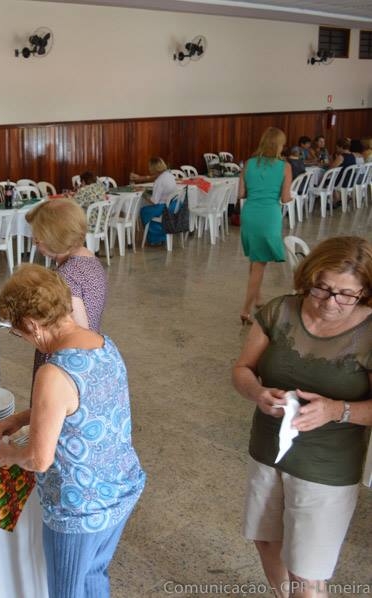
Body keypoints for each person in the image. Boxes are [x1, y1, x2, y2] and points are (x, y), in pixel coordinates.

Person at [0, 265, 145, 598]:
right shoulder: (102, 343)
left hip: (81, 507)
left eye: (19, 333)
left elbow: (38, 459)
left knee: (67, 592)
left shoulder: (52, 371)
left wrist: (8, 455)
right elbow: (85, 403)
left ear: (32, 324)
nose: (24, 340)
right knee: (93, 575)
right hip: (120, 488)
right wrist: (24, 417)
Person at [231, 236, 372, 598]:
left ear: (365, 293)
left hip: (327, 466)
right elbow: (243, 369)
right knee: (266, 540)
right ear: (308, 277)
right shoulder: (280, 311)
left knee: (307, 573)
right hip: (267, 449)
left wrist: (335, 410)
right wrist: (258, 393)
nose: (330, 302)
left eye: (346, 294)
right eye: (321, 289)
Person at [26, 199, 107, 379]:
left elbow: (78, 331)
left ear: (54, 240)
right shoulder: (88, 258)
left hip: (67, 365)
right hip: (88, 356)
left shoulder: (66, 276)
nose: (34, 244)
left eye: (37, 239)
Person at [239, 127, 292, 325]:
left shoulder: (249, 164)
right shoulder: (284, 167)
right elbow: (286, 198)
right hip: (269, 215)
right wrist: (291, 196)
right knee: (260, 264)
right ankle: (245, 310)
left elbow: (241, 193)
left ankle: (258, 297)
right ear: (279, 145)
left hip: (250, 213)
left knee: (255, 259)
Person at [132, 157, 178, 246]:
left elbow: (154, 201)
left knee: (144, 211)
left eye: (149, 167)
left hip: (163, 208)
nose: (148, 168)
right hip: (173, 206)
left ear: (154, 168)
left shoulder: (159, 180)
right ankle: (160, 236)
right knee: (149, 212)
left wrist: (143, 193)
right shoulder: (169, 175)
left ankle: (155, 238)